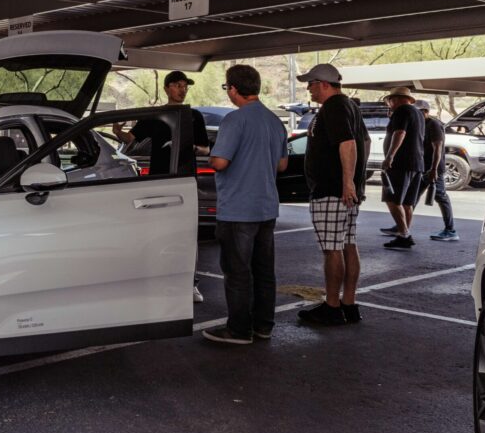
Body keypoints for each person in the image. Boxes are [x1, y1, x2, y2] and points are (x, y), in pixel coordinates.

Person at [201, 64, 288, 345]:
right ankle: (264, 326)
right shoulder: (274, 121)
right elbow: (282, 165)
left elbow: (220, 162)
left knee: (237, 272)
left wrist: (210, 154)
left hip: (237, 208)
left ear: (233, 89)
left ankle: (239, 330)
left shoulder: (234, 121)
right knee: (264, 271)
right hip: (266, 207)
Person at [112, 70, 211, 303]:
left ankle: (190, 284)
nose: (182, 89)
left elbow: (206, 149)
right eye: (177, 85)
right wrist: (118, 131)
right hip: (159, 181)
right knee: (159, 232)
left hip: (186, 181)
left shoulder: (194, 116)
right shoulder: (155, 116)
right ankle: (158, 279)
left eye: (185, 86)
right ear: (167, 88)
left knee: (187, 234)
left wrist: (191, 148)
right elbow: (132, 140)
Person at [294, 63, 370, 326]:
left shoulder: (335, 106)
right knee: (347, 242)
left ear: (324, 84)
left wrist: (347, 181)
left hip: (331, 190)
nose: (309, 89)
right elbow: (365, 142)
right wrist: (355, 181)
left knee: (331, 248)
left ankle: (332, 306)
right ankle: (348, 303)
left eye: (311, 84)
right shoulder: (349, 106)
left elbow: (348, 143)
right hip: (344, 190)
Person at [379, 87, 425, 250]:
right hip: (416, 163)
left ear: (396, 99)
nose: (389, 104)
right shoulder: (418, 113)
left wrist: (390, 156)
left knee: (392, 199)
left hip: (400, 163)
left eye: (389, 100)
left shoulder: (402, 111)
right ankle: (403, 233)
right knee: (406, 202)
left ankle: (404, 234)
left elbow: (400, 133)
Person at [415, 100, 458, 241]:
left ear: (426, 112)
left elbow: (437, 148)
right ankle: (402, 227)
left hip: (434, 168)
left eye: (418, 111)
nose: (416, 114)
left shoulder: (434, 124)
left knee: (440, 196)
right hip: (423, 167)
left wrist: (434, 169)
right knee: (412, 196)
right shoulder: (420, 124)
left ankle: (450, 230)